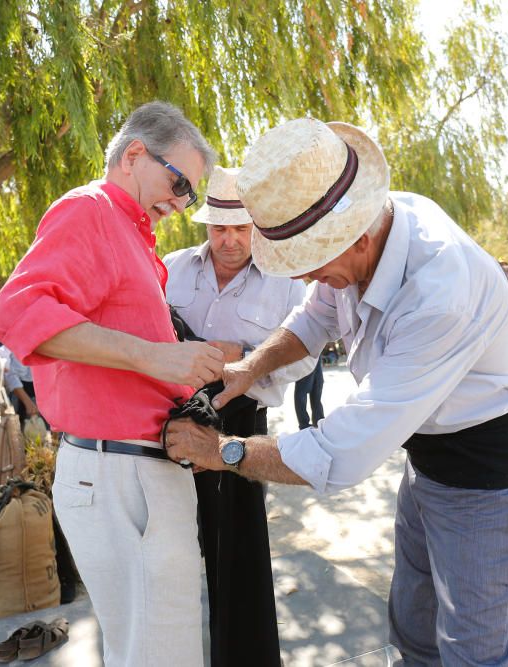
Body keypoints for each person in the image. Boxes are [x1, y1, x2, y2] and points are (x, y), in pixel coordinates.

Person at [165, 117, 508, 667]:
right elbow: (314, 318)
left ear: (358, 239)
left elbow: (339, 452)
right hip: (428, 452)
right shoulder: (366, 235)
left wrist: (222, 451)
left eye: (308, 264)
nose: (301, 279)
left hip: (487, 469)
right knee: (415, 625)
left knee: (477, 648)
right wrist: (251, 366)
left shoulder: (442, 290)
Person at [0, 101, 222, 666]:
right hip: (120, 474)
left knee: (152, 650)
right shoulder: (91, 210)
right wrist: (157, 359)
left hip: (138, 470)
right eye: (179, 183)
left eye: (189, 193)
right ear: (135, 154)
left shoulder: (132, 234)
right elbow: (18, 314)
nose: (181, 202)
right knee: (160, 654)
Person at [164, 165, 313, 666]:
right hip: (168, 417)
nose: (229, 240)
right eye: (219, 228)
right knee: (170, 550)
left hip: (240, 422)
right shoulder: (171, 267)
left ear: (256, 225)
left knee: (239, 557)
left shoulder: (286, 280)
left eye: (240, 228)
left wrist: (246, 358)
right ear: (204, 225)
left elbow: (309, 354)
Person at [294, 357, 325, 430]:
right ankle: (304, 424)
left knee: (318, 385)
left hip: (317, 353)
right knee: (302, 389)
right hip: (305, 353)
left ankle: (318, 420)